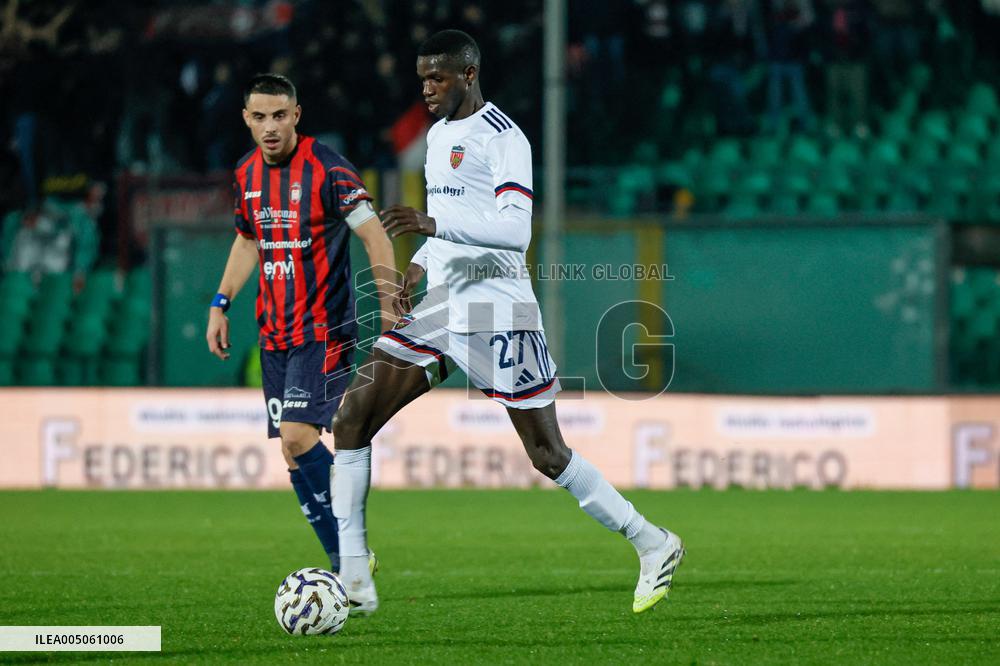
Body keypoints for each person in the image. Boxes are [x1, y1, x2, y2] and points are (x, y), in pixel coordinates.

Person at [329, 30, 685, 615]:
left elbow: (516, 231)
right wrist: (419, 266)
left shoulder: (504, 138)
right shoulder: (439, 136)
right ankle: (354, 581)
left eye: (437, 78)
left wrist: (431, 227)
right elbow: (451, 219)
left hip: (500, 310)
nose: (427, 89)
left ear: (469, 74)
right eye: (422, 78)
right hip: (444, 305)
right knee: (351, 418)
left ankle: (652, 542)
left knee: (547, 454)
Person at [206, 73, 396, 574]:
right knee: (292, 456)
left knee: (296, 436)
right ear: (246, 119)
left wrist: (390, 304)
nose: (270, 127)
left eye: (279, 116)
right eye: (259, 117)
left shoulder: (328, 170)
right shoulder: (246, 174)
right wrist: (220, 302)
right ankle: (345, 561)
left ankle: (352, 548)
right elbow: (249, 240)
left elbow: (375, 237)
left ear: (296, 115)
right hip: (275, 334)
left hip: (324, 329)